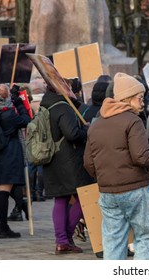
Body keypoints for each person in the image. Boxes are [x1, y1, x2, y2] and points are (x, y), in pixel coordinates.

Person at [83, 72, 149, 260]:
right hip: (135, 189)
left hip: (108, 193)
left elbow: (88, 163)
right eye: (139, 98)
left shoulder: (96, 125)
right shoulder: (132, 121)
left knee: (113, 240)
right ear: (127, 99)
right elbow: (142, 156)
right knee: (147, 237)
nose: (142, 103)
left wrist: (105, 178)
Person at [39, 80, 94, 254]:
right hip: (68, 161)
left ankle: (61, 240)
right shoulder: (63, 106)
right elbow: (72, 134)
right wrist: (86, 130)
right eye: (67, 86)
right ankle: (66, 238)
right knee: (82, 197)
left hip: (52, 160)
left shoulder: (45, 106)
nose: (70, 89)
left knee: (60, 199)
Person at [0, 84, 31, 238]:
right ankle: (4, 228)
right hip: (8, 155)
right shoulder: (8, 114)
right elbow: (26, 120)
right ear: (6, 97)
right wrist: (19, 103)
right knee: (4, 191)